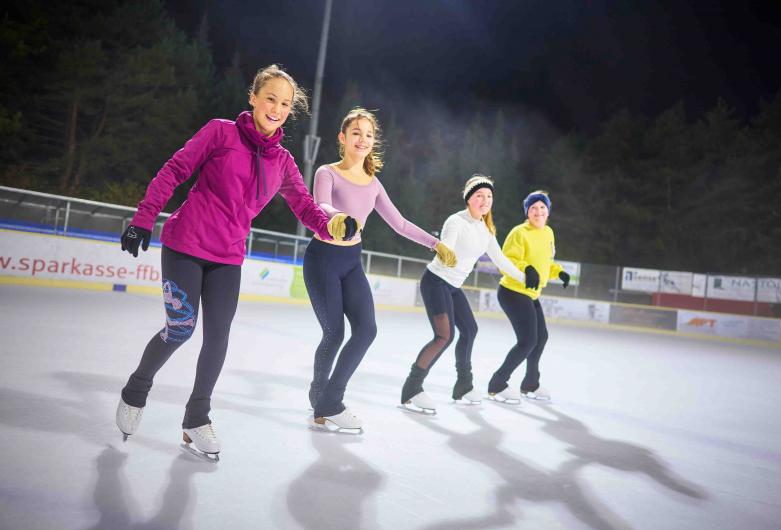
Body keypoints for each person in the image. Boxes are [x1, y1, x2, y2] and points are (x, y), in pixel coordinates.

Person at [115, 65, 357, 459]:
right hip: (185, 244)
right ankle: (136, 389)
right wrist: (144, 218)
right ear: (254, 98)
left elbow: (306, 208)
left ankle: (196, 418)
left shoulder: (282, 162)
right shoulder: (220, 132)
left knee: (218, 337)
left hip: (228, 257)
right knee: (180, 328)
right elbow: (175, 169)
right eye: (270, 99)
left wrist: (333, 226)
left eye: (284, 103)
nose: (276, 108)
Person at [305, 107, 456, 432]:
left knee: (367, 330)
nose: (362, 139)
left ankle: (327, 400)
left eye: (369, 134)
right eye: (356, 132)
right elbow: (321, 204)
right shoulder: (326, 173)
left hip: (351, 262)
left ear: (374, 143)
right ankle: (324, 400)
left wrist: (435, 243)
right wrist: (337, 217)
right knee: (333, 334)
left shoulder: (373, 184)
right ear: (343, 138)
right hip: (323, 260)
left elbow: (399, 223)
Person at [400, 175, 538, 414]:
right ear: (468, 198)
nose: (485, 200)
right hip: (436, 282)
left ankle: (463, 385)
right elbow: (448, 244)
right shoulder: (456, 221)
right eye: (479, 196)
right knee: (444, 336)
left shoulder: (486, 229)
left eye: (489, 196)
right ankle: (412, 389)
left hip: (452, 286)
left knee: (470, 330)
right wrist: (447, 251)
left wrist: (526, 278)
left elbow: (500, 260)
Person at [487, 190, 570, 404]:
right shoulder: (519, 232)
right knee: (527, 341)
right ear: (527, 212)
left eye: (542, 207)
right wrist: (527, 268)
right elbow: (508, 260)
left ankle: (530, 383)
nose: (538, 211)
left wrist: (558, 271)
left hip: (531, 293)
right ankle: (497, 384)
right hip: (513, 291)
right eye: (533, 208)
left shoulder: (549, 233)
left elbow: (545, 263)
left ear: (548, 211)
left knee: (541, 338)